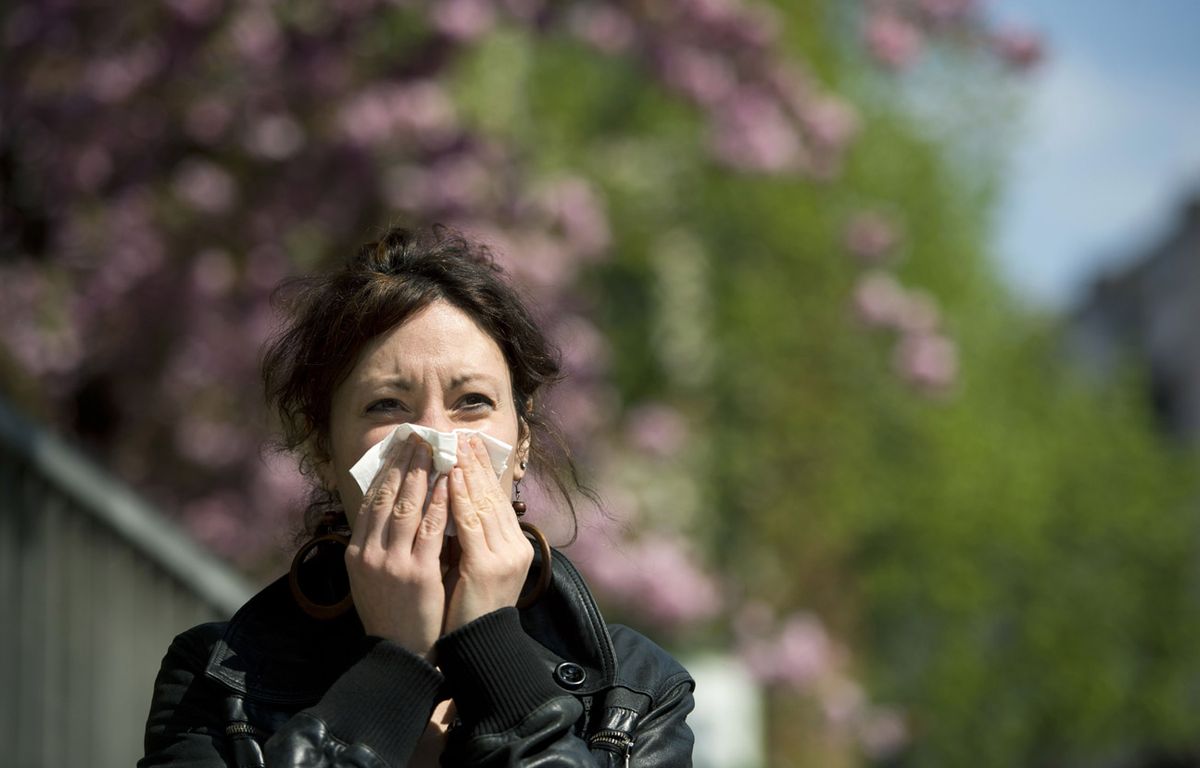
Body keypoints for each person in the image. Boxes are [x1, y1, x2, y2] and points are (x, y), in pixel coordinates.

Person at [138, 226, 696, 767]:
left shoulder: (637, 690)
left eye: (472, 401)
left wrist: (493, 647)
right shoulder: (217, 679)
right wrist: (395, 667)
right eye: (387, 405)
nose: (437, 440)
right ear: (323, 452)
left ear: (521, 443)